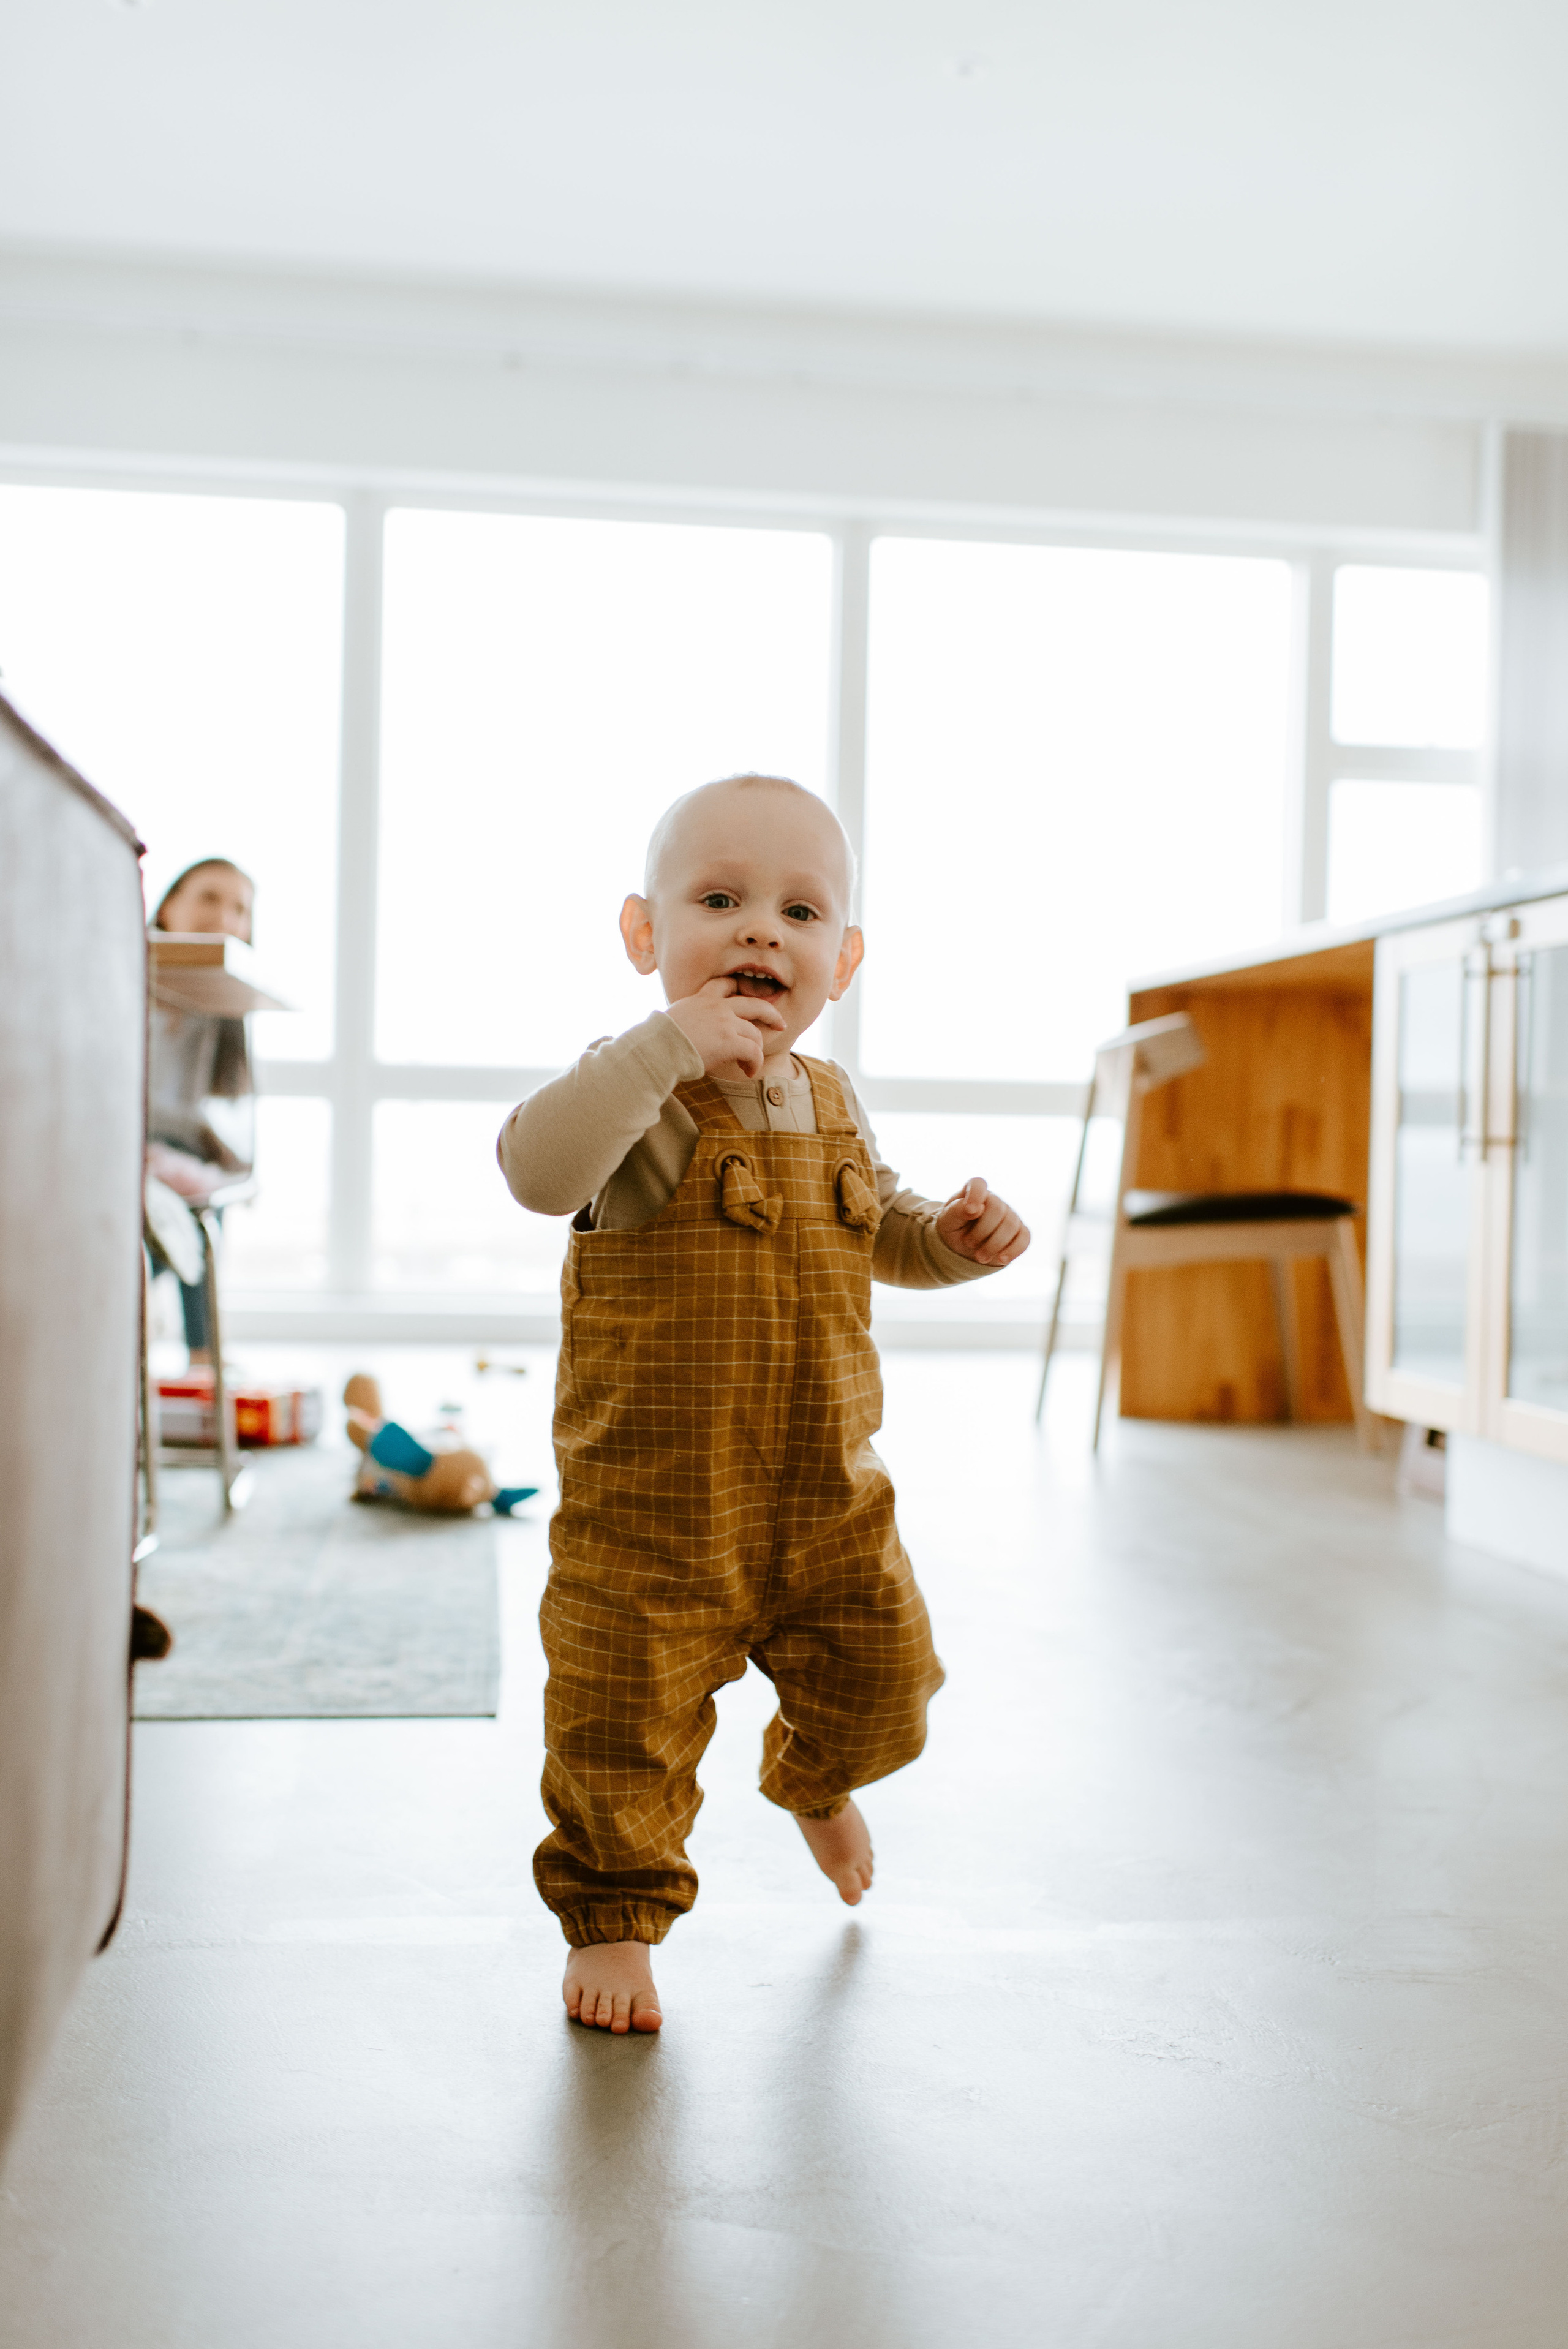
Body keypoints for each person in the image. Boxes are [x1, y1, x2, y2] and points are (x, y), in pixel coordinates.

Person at [498, 774, 1030, 2034]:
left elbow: (877, 1229)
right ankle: (618, 1920)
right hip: (656, 1513)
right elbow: (534, 1168)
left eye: (797, 913)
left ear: (839, 961)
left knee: (885, 1674)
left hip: (825, 1494)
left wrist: (949, 1239)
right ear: (645, 935)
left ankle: (814, 1777)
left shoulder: (829, 1098)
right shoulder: (631, 1087)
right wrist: (667, 1046)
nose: (758, 932)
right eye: (719, 900)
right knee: (617, 1727)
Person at [145, 858, 257, 1362]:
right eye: (209, 897)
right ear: (169, 906)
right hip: (127, 1146)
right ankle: (201, 1356)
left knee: (204, 1207)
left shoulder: (223, 1005)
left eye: (240, 909)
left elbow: (223, 1115)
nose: (226, 917)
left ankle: (203, 1358)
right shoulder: (123, 978)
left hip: (176, 1153)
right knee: (180, 1223)